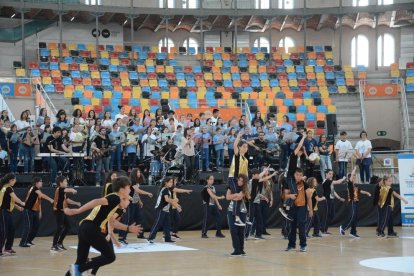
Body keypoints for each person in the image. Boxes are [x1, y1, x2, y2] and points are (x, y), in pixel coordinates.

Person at [64, 176, 142, 276]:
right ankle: (80, 268)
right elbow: (96, 201)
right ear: (122, 189)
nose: (130, 189)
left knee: (79, 262)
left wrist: (128, 228)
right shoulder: (115, 198)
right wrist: (77, 211)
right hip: (91, 228)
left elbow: (112, 222)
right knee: (110, 256)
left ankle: (79, 268)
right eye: (128, 187)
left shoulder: (116, 202)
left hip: (84, 228)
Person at [19, 177, 54, 247]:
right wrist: (50, 199)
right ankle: (23, 242)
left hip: (34, 211)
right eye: (41, 181)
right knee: (28, 226)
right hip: (28, 210)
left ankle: (29, 240)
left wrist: (40, 211)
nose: (42, 183)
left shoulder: (37, 190)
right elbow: (42, 195)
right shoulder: (34, 188)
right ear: (36, 183)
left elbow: (38, 202)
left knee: (36, 226)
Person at [279, 135, 306, 220]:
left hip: (291, 177)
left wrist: (301, 178)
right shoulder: (293, 155)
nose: (301, 153)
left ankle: (286, 209)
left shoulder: (296, 159)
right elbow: (299, 146)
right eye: (300, 152)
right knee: (294, 193)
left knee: (294, 194)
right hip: (289, 177)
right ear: (297, 151)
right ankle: (284, 208)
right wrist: (303, 137)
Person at [285, 168, 313, 252]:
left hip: (302, 207)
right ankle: (291, 245)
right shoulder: (289, 183)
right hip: (292, 208)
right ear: (294, 175)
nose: (299, 176)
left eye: (300, 175)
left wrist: (310, 210)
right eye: (297, 175)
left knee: (301, 226)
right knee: (292, 227)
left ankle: (303, 245)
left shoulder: (305, 184)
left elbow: (309, 198)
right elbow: (285, 196)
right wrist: (290, 196)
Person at [339, 166, 371, 238]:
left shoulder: (356, 187)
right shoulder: (349, 185)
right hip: (352, 202)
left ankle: (353, 232)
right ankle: (343, 227)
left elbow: (362, 191)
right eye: (353, 177)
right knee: (352, 216)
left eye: (355, 177)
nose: (354, 178)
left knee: (355, 218)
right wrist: (354, 170)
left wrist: (367, 193)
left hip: (356, 203)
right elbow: (350, 178)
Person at [147, 177, 181, 243]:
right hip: (161, 209)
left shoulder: (168, 190)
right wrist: (175, 200)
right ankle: (150, 238)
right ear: (166, 183)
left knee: (167, 225)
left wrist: (177, 206)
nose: (172, 183)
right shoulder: (165, 189)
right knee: (157, 224)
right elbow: (167, 200)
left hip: (166, 210)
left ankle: (167, 239)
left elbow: (170, 201)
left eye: (172, 182)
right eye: (170, 182)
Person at [51, 176, 81, 252]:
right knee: (59, 228)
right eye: (65, 181)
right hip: (58, 211)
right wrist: (72, 190)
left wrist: (76, 203)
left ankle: (59, 243)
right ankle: (54, 246)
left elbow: (67, 200)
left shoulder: (63, 191)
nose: (67, 183)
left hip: (62, 211)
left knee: (68, 227)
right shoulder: (59, 189)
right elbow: (67, 189)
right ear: (61, 183)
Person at [0, 173, 25, 256]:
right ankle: (0, 250)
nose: (15, 181)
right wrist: (22, 203)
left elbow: (8, 200)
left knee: (12, 229)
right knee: (3, 231)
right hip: (3, 212)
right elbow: (15, 198)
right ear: (11, 180)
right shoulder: (8, 188)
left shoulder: (5, 187)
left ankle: (8, 248)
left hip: (7, 212)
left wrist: (17, 207)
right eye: (15, 180)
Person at [228, 131, 249, 226]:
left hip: (241, 180)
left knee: (242, 195)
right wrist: (238, 137)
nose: (246, 148)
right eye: (244, 146)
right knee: (237, 195)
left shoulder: (246, 159)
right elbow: (234, 145)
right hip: (233, 178)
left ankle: (245, 216)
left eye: (246, 147)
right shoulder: (237, 156)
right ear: (240, 147)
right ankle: (236, 217)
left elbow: (245, 173)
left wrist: (246, 182)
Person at [226, 174, 250, 256]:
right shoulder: (231, 187)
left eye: (242, 181)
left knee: (241, 230)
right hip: (231, 210)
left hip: (242, 211)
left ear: (245, 182)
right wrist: (235, 195)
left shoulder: (245, 189)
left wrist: (235, 195)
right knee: (233, 229)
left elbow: (239, 197)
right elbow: (227, 197)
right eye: (239, 180)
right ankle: (236, 249)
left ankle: (241, 249)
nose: (240, 182)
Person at [320, 170, 346, 235]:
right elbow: (338, 182)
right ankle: (323, 230)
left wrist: (339, 198)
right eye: (329, 174)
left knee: (331, 215)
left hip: (331, 200)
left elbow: (333, 191)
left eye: (332, 174)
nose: (331, 175)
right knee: (327, 215)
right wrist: (343, 178)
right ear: (326, 174)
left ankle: (324, 229)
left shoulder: (330, 183)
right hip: (327, 200)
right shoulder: (326, 181)